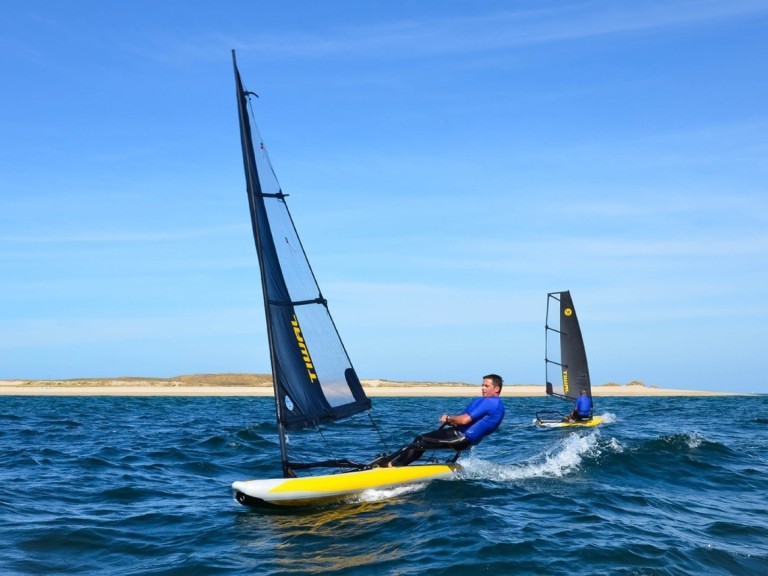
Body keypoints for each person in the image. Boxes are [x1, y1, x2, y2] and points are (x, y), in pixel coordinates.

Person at [372, 374, 505, 467]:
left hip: (460, 438)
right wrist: (452, 421)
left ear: (496, 388)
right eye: (482, 385)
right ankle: (397, 464)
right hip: (462, 437)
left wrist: (447, 418)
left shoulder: (489, 402)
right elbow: (472, 421)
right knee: (423, 441)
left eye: (486, 386)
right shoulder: (496, 405)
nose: (482, 388)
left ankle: (391, 465)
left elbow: (464, 420)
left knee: (420, 441)